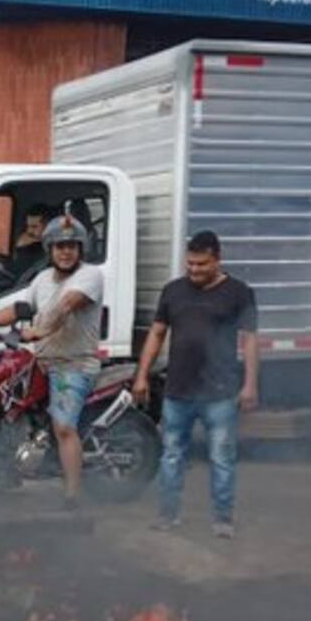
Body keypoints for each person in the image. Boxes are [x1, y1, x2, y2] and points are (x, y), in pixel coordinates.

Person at [133, 230, 259, 538]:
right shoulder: (173, 291)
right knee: (172, 455)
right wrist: (141, 375)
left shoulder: (239, 293)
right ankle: (168, 514)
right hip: (178, 389)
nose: (194, 271)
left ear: (218, 259)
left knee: (222, 457)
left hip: (221, 392)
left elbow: (251, 341)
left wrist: (250, 385)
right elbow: (157, 333)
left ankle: (222, 518)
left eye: (202, 264)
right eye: (190, 264)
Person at [0, 213, 104, 508]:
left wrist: (39, 330)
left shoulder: (90, 276)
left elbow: (66, 306)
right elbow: (21, 307)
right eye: (60, 246)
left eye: (72, 246)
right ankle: (7, 469)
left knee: (63, 427)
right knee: (0, 404)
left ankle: (72, 493)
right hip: (40, 361)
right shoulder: (41, 279)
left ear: (81, 249)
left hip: (74, 363)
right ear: (49, 249)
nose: (66, 251)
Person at [12, 204, 51, 276]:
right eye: (27, 226)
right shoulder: (29, 246)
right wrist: (19, 248)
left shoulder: (55, 251)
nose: (29, 231)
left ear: (47, 225)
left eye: (34, 226)